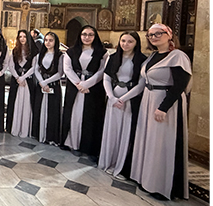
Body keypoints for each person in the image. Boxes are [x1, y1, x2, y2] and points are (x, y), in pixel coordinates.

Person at [131, 24, 192, 200]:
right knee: (149, 139)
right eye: (150, 35)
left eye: (158, 33)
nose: (154, 37)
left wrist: (163, 107)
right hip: (149, 99)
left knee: (161, 142)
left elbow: (180, 85)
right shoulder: (153, 56)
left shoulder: (177, 56)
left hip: (165, 103)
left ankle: (161, 185)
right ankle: (146, 178)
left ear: (169, 35)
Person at [98, 31, 147, 180]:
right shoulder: (113, 57)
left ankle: (120, 165)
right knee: (111, 130)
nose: (126, 44)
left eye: (130, 41)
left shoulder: (142, 60)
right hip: (113, 99)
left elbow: (141, 84)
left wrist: (123, 99)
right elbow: (106, 79)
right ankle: (108, 161)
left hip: (130, 100)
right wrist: (112, 97)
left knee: (125, 132)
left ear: (136, 43)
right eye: (123, 41)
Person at [62, 26, 108, 160]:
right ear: (80, 36)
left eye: (90, 35)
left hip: (93, 89)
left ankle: (88, 147)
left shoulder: (102, 52)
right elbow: (67, 69)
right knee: (74, 115)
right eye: (84, 34)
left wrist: (87, 84)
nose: (87, 37)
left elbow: (102, 70)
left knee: (91, 117)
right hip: (75, 88)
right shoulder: (71, 51)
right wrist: (79, 84)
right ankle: (73, 143)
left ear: (95, 36)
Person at [32, 32, 65, 144]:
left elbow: (60, 73)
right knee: (39, 108)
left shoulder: (60, 56)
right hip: (41, 86)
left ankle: (51, 136)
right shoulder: (40, 55)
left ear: (55, 42)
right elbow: (36, 69)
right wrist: (41, 82)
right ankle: (39, 133)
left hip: (53, 85)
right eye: (46, 40)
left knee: (52, 111)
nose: (48, 42)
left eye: (51, 40)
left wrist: (46, 82)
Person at [6, 29, 38, 137]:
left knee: (27, 104)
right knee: (15, 103)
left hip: (27, 82)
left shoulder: (33, 52)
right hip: (17, 82)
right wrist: (17, 78)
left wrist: (23, 77)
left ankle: (25, 129)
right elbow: (11, 66)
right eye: (20, 37)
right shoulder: (15, 51)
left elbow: (34, 67)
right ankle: (14, 127)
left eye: (24, 36)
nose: (22, 39)